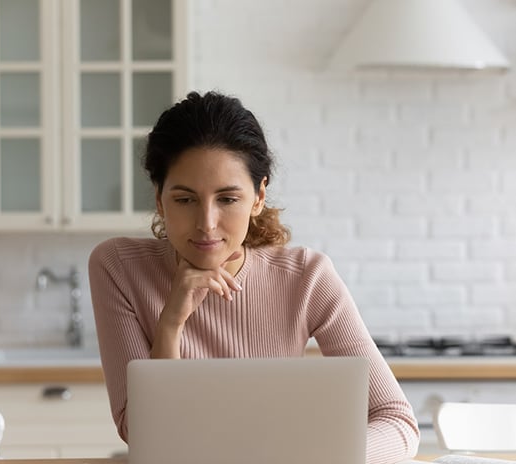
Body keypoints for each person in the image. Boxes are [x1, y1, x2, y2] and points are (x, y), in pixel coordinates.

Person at [88, 90, 420, 464]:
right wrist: (172, 322)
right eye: (185, 200)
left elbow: (397, 422)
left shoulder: (307, 277)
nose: (207, 224)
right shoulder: (118, 266)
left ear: (258, 197)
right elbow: (144, 435)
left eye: (227, 199)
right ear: (160, 199)